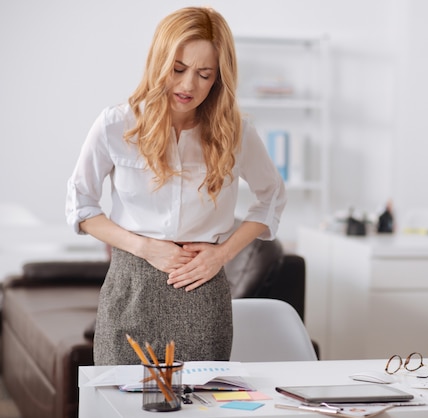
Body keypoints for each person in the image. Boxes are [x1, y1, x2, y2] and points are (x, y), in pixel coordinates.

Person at [65, 6, 286, 365]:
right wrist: (147, 248)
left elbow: (272, 196)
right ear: (158, 62)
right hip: (130, 289)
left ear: (218, 78)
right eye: (178, 69)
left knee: (201, 405)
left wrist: (223, 253)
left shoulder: (236, 133)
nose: (187, 86)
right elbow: (82, 207)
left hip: (201, 292)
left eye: (204, 74)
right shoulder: (115, 125)